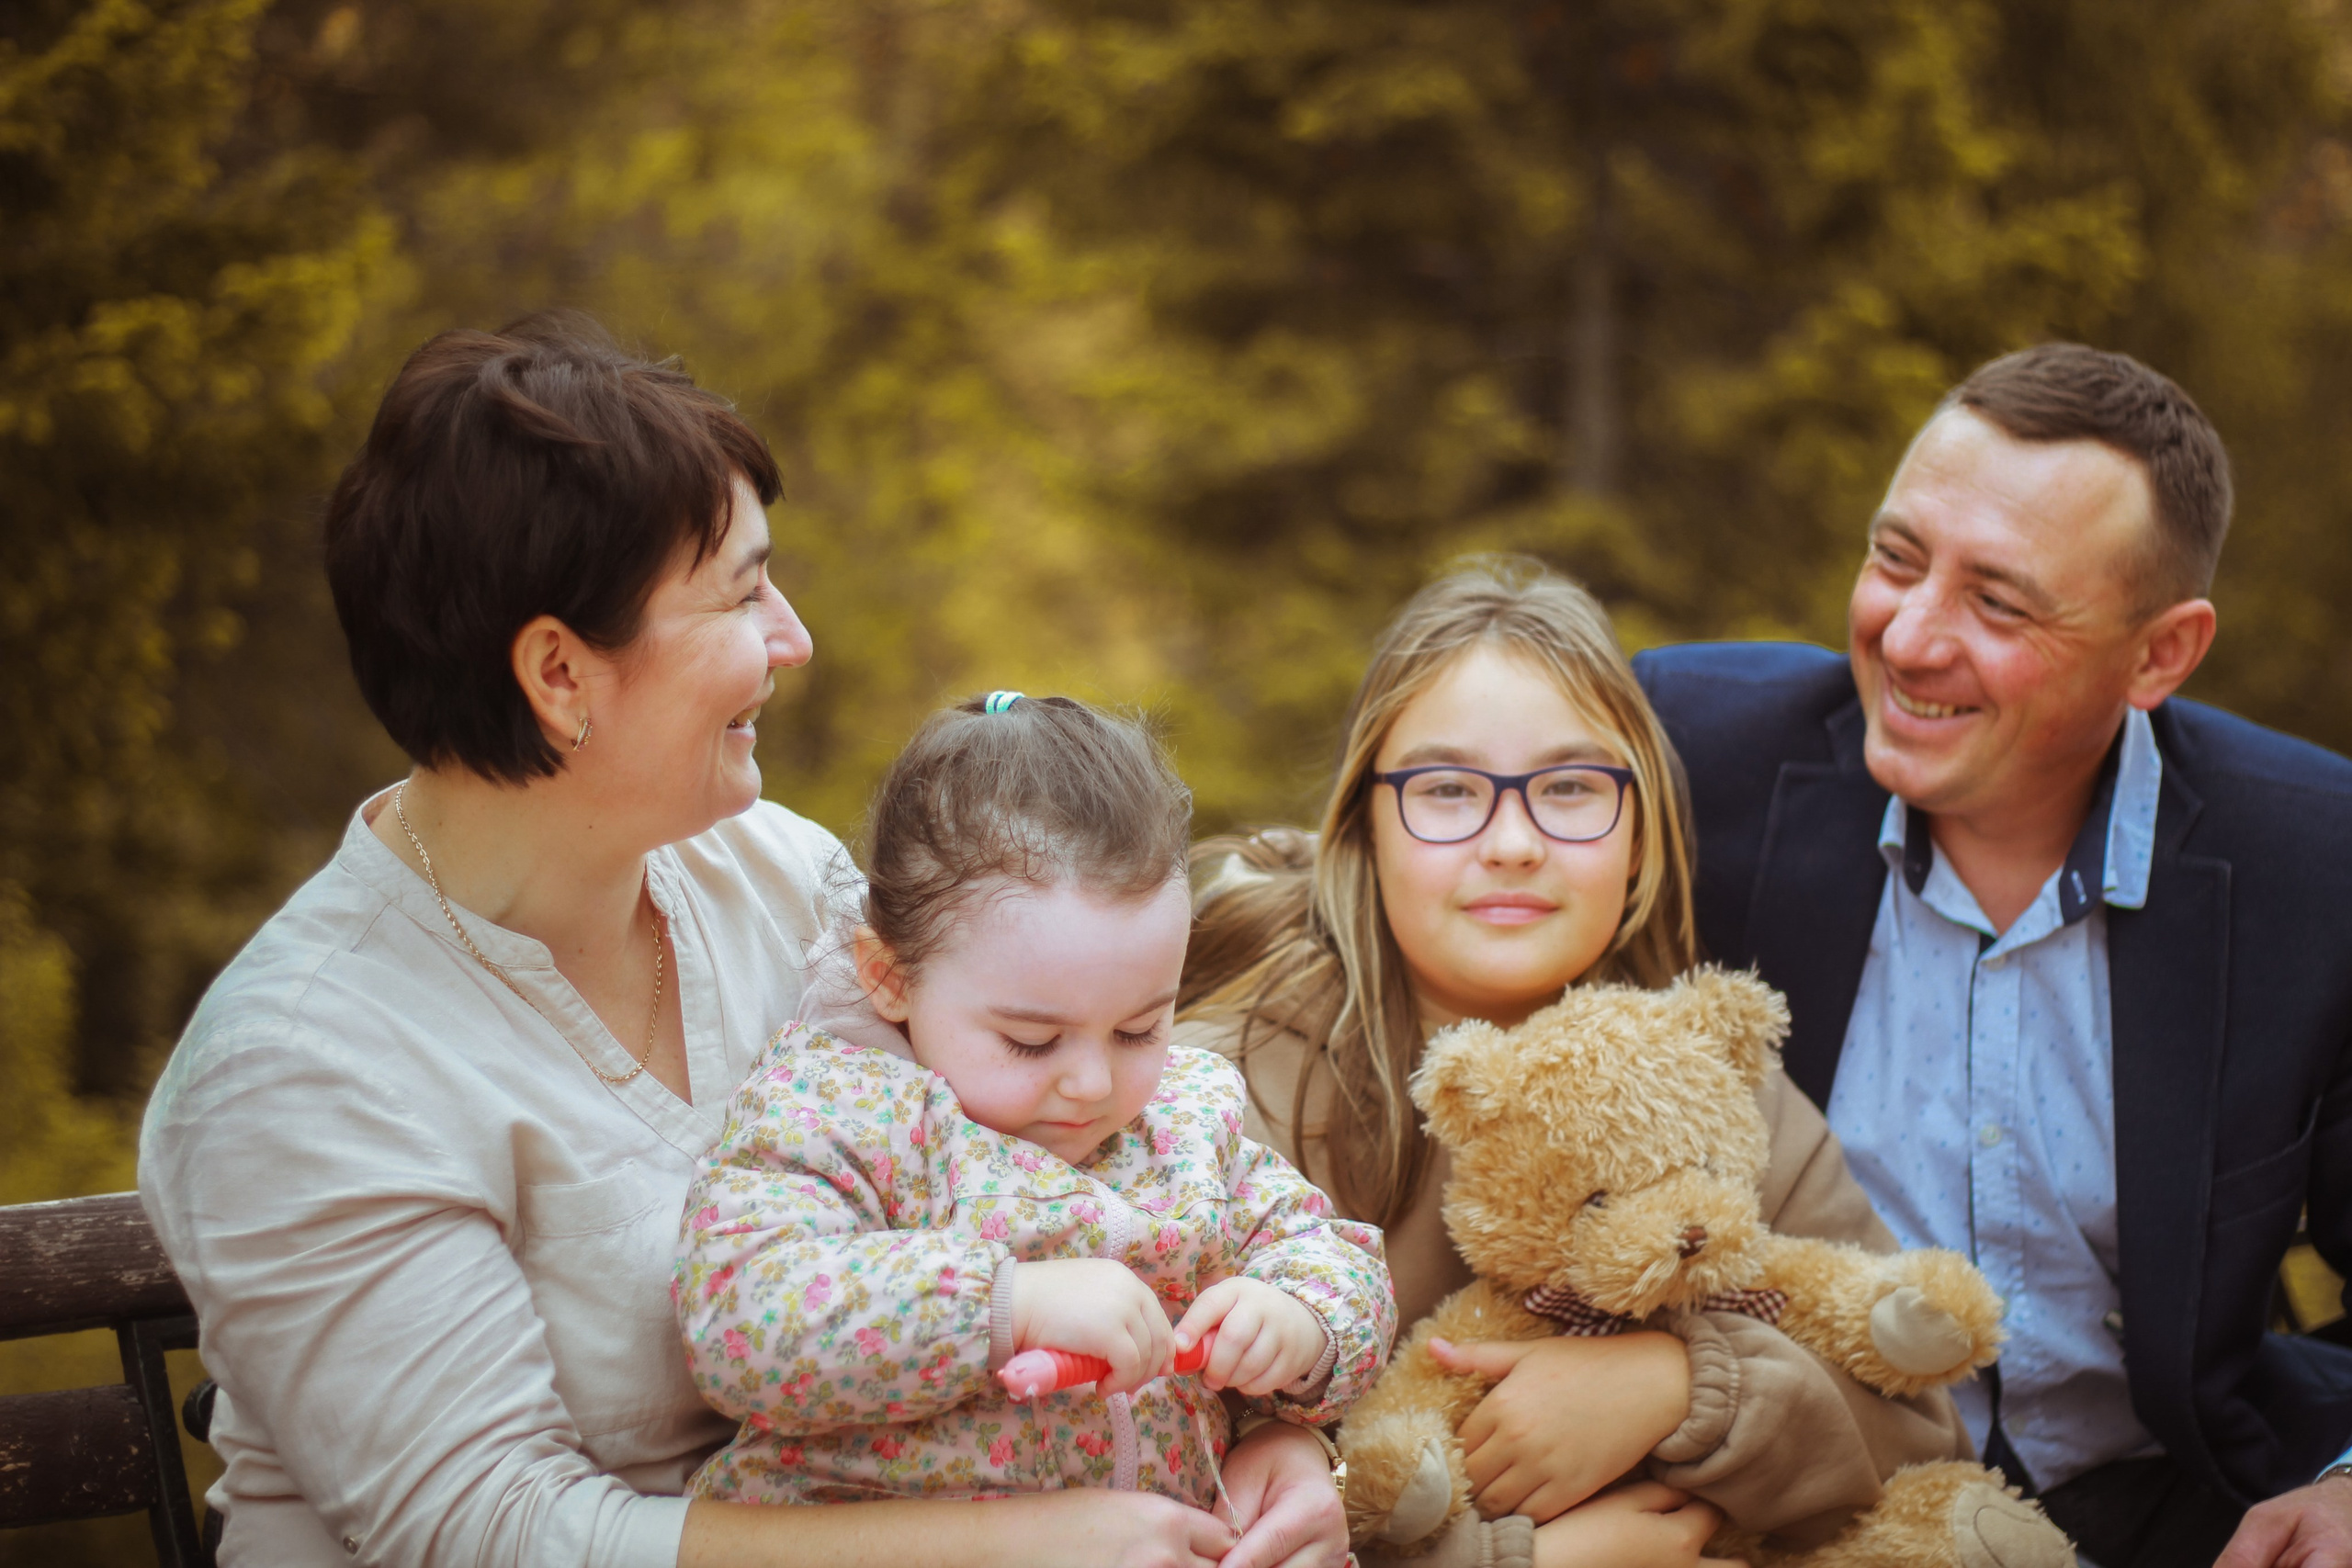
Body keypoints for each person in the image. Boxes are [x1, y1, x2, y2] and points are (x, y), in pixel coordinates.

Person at [136, 315, 1337, 1568]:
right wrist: (1017, 1544)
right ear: (560, 673)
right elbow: (488, 1525)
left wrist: (1271, 1433)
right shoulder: (298, 1068)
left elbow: (1090, 1192)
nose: (794, 637)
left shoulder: (782, 876)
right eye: (742, 588)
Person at [1632, 343, 2352, 1568]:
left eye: (1999, 602)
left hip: (2176, 1503)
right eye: (1895, 559)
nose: (1908, 639)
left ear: (2160, 654)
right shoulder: (1688, 754)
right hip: (1781, 1506)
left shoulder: (2314, 858)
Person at [1181, 560, 2005, 1568]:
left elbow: (1920, 1431)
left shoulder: (1712, 1083)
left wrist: (1683, 1386)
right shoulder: (1229, 1096)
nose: (1514, 841)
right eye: (1445, 791)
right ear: (1363, 826)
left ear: (1639, 833)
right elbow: (1188, 1483)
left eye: (1571, 788)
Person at [676, 692, 1391, 1543]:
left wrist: (1299, 1322)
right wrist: (1003, 1304)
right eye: (1030, 1040)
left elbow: (1335, 1251)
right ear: (890, 976)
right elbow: (742, 1316)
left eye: (1139, 1027)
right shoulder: (841, 1114)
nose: (1091, 1081)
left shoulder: (1187, 1122)